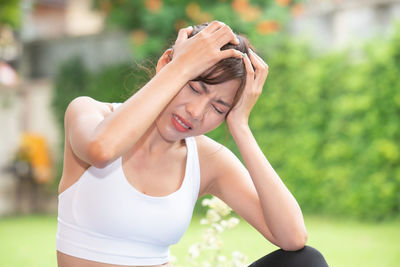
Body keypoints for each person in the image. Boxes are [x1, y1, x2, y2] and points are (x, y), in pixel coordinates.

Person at [56, 21, 329, 267]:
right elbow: (102, 150)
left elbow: (292, 238)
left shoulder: (207, 159)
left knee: (307, 262)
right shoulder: (90, 114)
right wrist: (182, 66)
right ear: (167, 65)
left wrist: (241, 127)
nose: (197, 112)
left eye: (219, 107)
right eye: (195, 87)